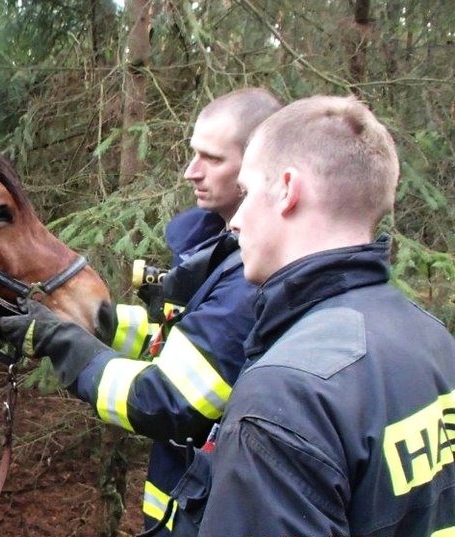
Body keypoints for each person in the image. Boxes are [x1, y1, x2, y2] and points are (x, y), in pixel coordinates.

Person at [0, 88, 281, 533]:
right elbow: (185, 345)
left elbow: (169, 399)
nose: (191, 172)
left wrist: (64, 344)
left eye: (212, 158)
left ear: (258, 166)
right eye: (193, 154)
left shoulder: (251, 275)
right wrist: (103, 325)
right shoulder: (222, 248)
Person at [171, 95, 455, 535]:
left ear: (287, 189)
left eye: (246, 193)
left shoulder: (283, 396)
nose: (236, 221)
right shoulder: (432, 338)